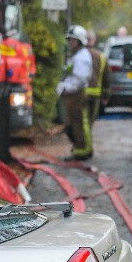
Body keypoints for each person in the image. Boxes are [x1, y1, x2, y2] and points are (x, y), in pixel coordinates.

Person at [57, 24, 93, 161]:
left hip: (76, 95)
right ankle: (79, 148)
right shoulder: (76, 55)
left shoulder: (81, 57)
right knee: (71, 123)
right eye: (70, 39)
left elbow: (80, 78)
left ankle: (81, 151)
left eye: (73, 40)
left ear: (79, 41)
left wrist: (68, 89)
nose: (70, 42)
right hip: (72, 95)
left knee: (76, 123)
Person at [85, 29, 109, 123]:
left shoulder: (78, 54)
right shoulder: (101, 57)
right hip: (95, 95)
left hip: (80, 94)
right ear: (94, 40)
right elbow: (106, 78)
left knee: (82, 122)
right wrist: (106, 95)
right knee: (90, 122)